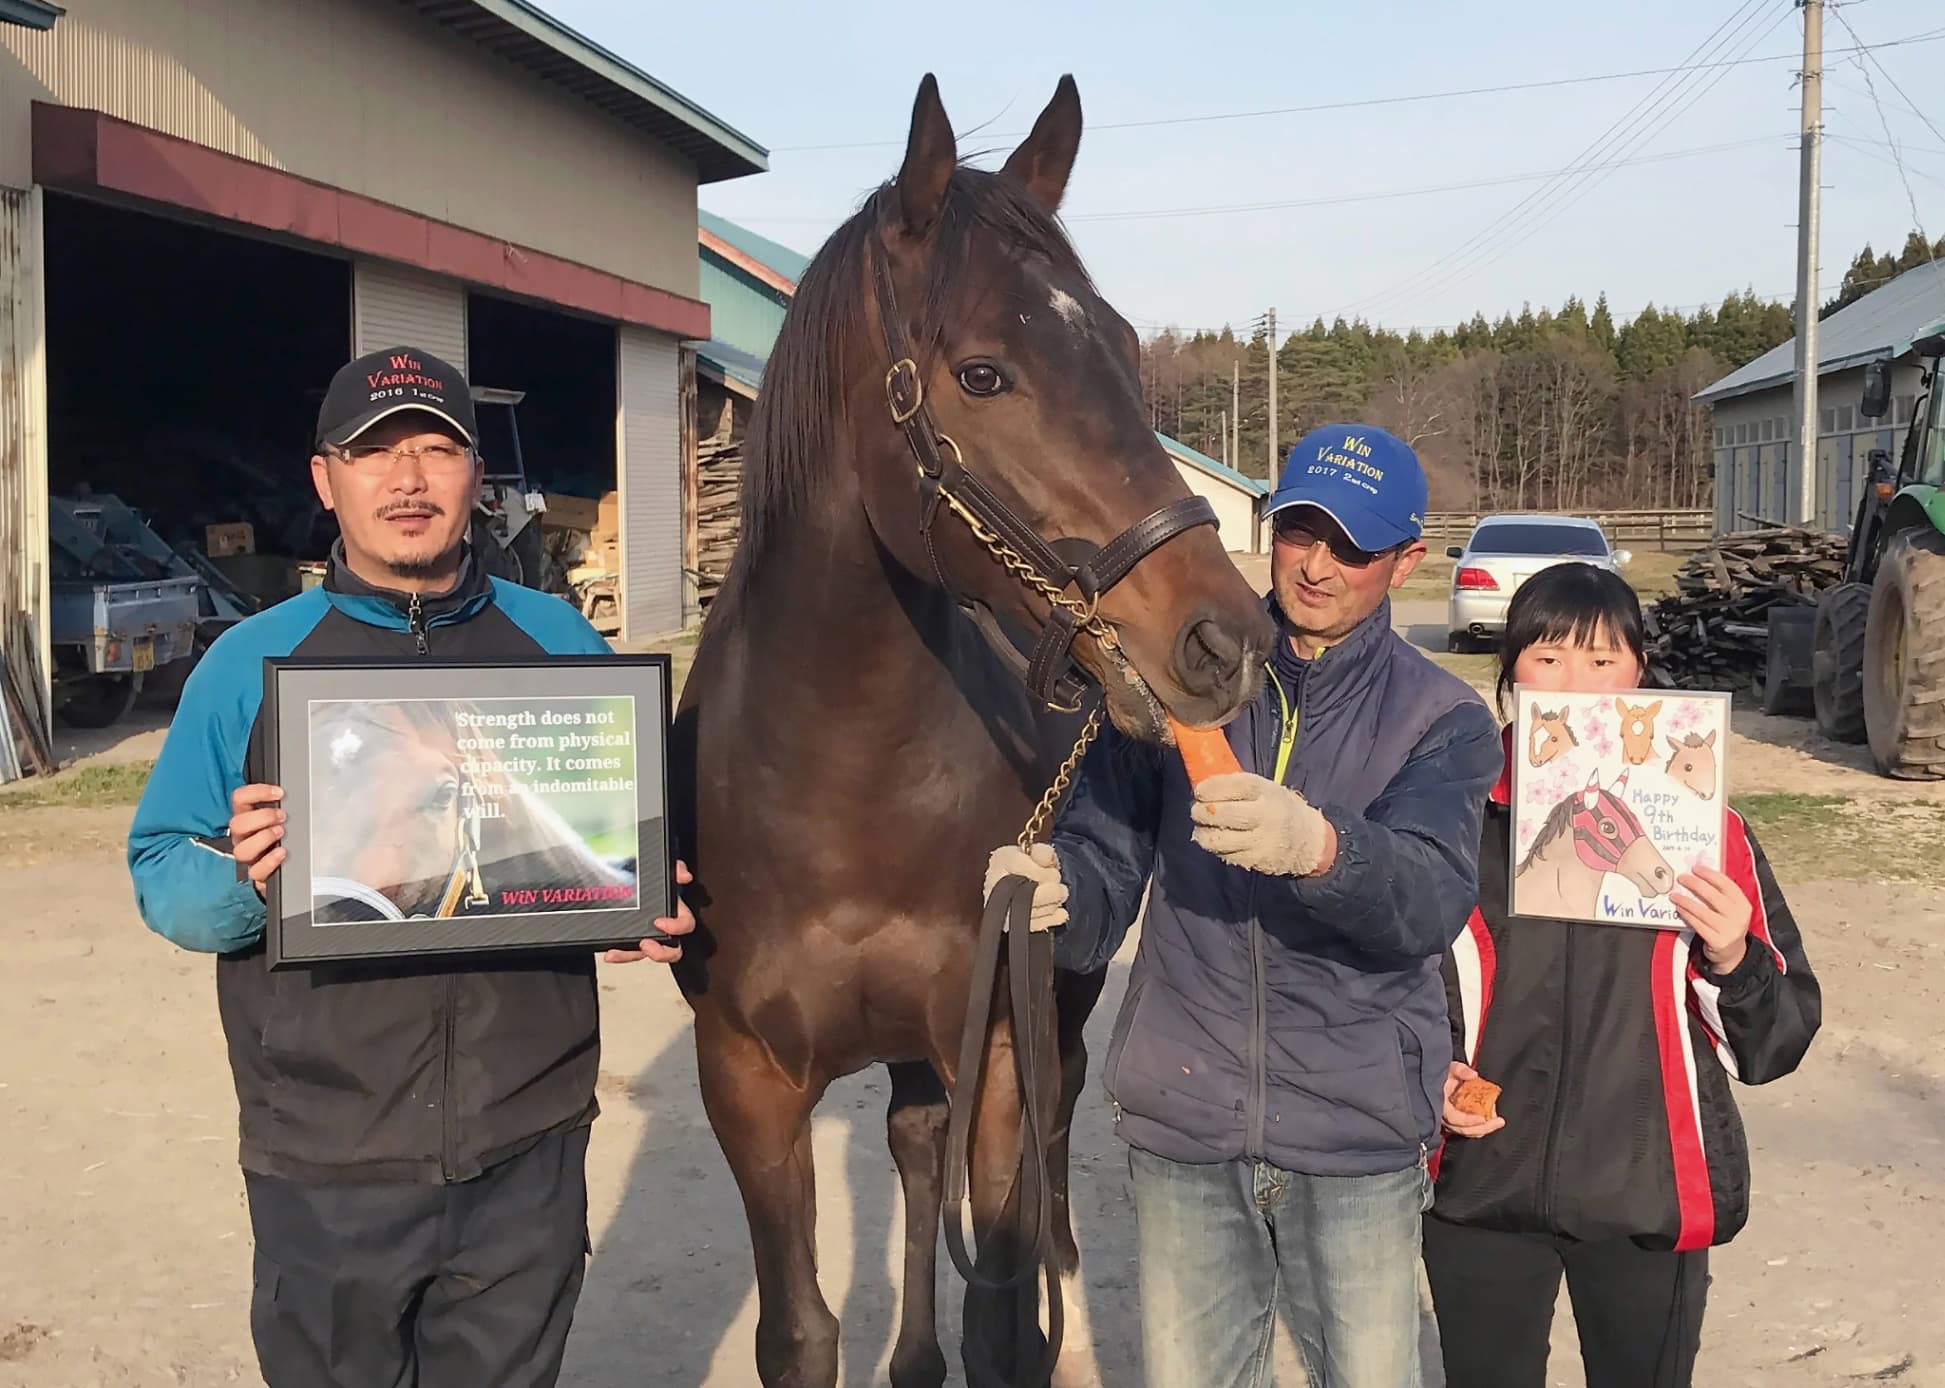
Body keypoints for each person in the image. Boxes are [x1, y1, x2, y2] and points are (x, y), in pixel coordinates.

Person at [126, 346, 695, 1388]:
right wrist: (247, 884)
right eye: (375, 452)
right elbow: (162, 868)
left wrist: (633, 900)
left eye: (438, 448)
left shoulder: (561, 644)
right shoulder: (248, 664)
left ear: (476, 475)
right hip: (326, 1154)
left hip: (526, 1142)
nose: (409, 478)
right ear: (323, 478)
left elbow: (601, 846)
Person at [986, 423, 1503, 1388]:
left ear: (1404, 560)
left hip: (1354, 1131)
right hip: (1187, 1120)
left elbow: (1428, 897)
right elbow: (1107, 857)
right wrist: (1059, 896)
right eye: (1299, 531)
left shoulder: (1443, 718)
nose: (1316, 566)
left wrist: (1320, 848)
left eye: (1350, 546)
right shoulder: (1180, 676)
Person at [1423, 562, 1821, 1388]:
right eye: (1547, 657)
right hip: (1478, 1192)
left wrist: (1732, 958)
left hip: (1649, 1191)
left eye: (1604, 661)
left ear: (1639, 671)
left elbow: (1775, 1044)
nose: (1578, 683)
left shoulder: (1711, 836)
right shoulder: (1450, 820)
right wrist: (1422, 1074)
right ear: (1509, 674)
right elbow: (1384, 990)